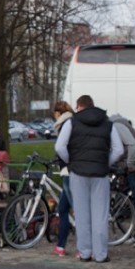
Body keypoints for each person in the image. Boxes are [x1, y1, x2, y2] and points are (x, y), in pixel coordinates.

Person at [54, 95, 123, 263]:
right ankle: (100, 254)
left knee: (82, 214)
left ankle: (85, 252)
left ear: (79, 106)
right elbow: (119, 150)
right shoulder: (108, 124)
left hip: (78, 172)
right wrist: (105, 162)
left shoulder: (71, 123)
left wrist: (72, 161)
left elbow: (59, 147)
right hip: (100, 173)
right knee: (100, 215)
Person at [108, 113, 135, 247]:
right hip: (133, 167)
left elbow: (132, 145)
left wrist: (131, 164)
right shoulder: (118, 124)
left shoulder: (116, 126)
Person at [51, 101, 74, 256]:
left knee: (76, 208)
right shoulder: (70, 121)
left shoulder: (65, 123)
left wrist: (65, 161)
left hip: (68, 170)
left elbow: (61, 147)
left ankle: (84, 247)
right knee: (63, 208)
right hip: (68, 169)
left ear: (58, 113)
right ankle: (61, 245)